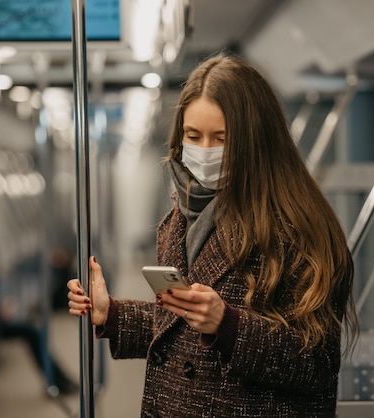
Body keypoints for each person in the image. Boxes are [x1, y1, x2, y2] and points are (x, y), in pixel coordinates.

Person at [67, 52, 358, 417]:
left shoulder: (300, 228)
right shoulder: (179, 219)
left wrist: (228, 325)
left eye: (221, 138)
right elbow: (184, 329)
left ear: (256, 140)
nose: (205, 151)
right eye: (194, 135)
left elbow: (317, 363)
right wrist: (112, 315)